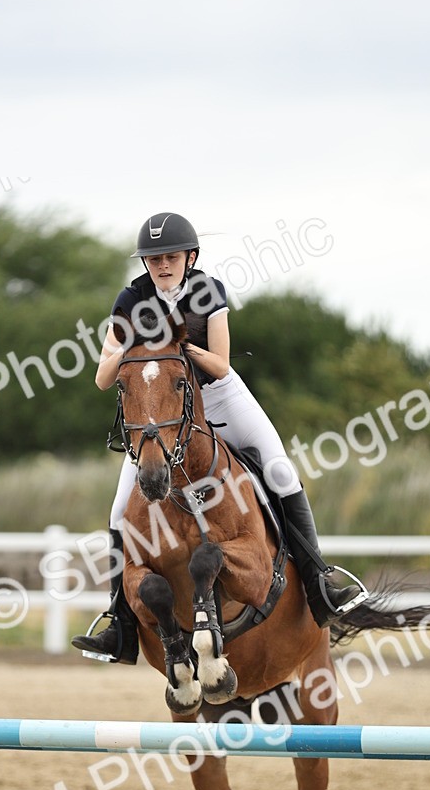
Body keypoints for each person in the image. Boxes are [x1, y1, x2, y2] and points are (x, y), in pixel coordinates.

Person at [71, 212, 367, 664]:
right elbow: (101, 378)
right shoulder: (130, 299)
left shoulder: (207, 290)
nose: (162, 265)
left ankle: (319, 582)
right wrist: (128, 350)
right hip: (164, 415)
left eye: (169, 256)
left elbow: (222, 364)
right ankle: (121, 623)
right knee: (118, 510)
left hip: (220, 397)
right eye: (153, 259)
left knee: (279, 466)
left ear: (189, 257)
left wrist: (178, 350)